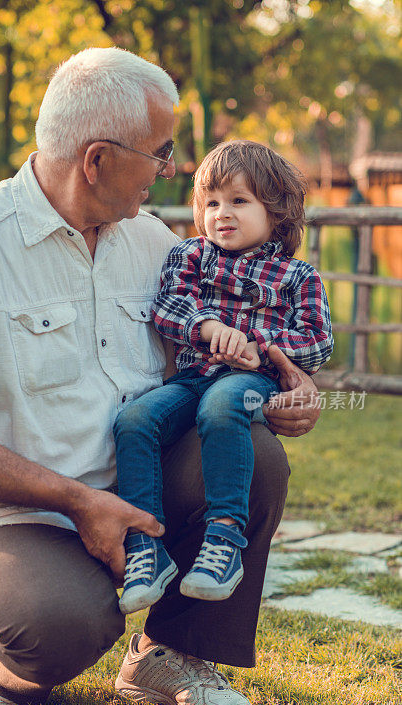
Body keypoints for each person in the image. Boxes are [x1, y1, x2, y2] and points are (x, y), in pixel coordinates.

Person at [0, 48, 322, 705]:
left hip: (135, 487)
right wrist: (78, 501)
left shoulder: (158, 246)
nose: (171, 172)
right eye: (160, 154)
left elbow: (206, 366)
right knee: (64, 624)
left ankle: (167, 653)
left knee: (252, 452)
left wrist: (292, 388)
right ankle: (6, 653)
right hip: (9, 517)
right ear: (98, 159)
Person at [114, 140, 333, 615]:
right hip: (192, 378)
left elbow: (317, 341)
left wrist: (259, 346)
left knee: (223, 403)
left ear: (275, 212)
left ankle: (225, 538)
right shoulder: (192, 256)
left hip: (250, 384)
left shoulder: (298, 278)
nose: (221, 214)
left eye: (238, 201)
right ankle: (145, 546)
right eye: (210, 202)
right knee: (135, 419)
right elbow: (168, 308)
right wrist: (210, 328)